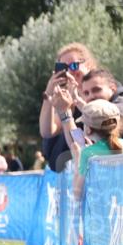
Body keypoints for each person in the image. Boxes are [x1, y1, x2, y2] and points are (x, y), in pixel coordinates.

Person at [39, 42, 96, 172]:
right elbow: (47, 131)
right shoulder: (67, 98)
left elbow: (99, 121)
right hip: (70, 169)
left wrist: (76, 101)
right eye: (64, 68)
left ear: (89, 65)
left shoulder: (100, 91)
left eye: (75, 65)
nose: (70, 71)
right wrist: (49, 93)